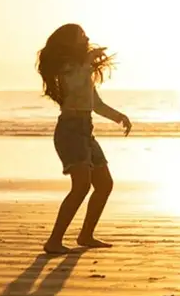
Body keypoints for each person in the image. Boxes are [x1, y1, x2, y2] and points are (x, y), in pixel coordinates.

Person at [36, 24, 132, 255]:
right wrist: (88, 61)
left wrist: (119, 116)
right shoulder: (67, 67)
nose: (87, 37)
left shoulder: (83, 69)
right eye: (81, 35)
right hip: (69, 132)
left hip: (86, 131)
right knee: (81, 186)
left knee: (105, 184)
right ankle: (54, 241)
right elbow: (74, 86)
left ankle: (86, 235)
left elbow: (95, 104)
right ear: (70, 41)